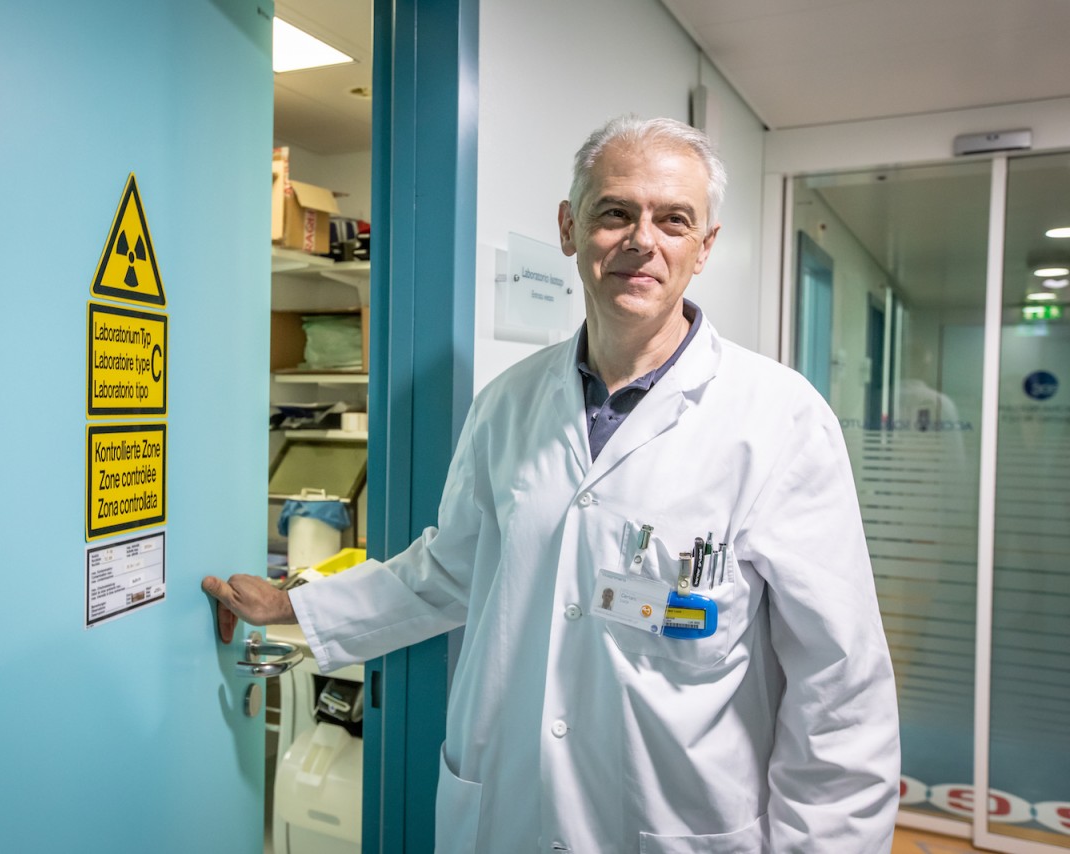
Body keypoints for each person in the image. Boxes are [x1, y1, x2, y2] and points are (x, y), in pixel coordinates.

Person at [204, 115, 901, 853]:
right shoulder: (507, 405)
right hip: (512, 815)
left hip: (678, 825)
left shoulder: (780, 420)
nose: (642, 240)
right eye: (615, 212)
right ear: (570, 229)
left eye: (673, 220)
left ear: (705, 247)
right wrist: (292, 604)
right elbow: (447, 572)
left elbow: (840, 685)